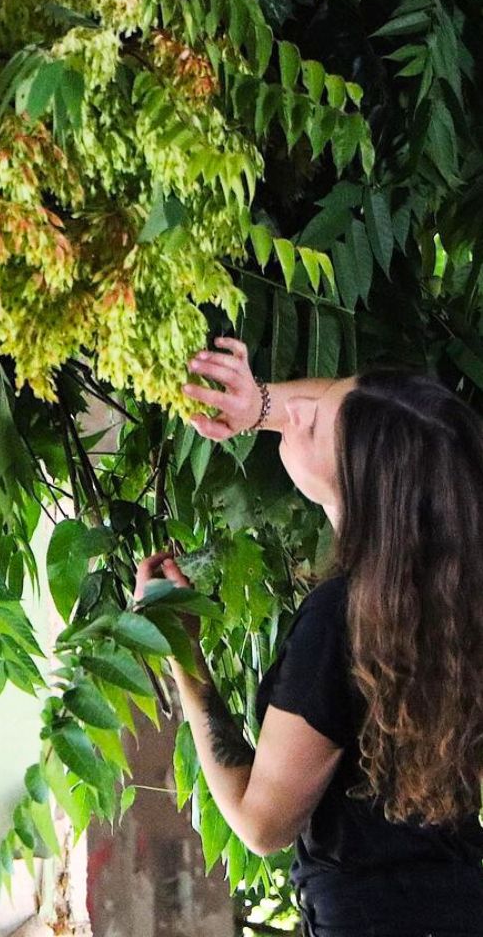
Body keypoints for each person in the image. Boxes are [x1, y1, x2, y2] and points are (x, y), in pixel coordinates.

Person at [134, 335, 483, 937]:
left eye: (315, 424)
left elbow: (260, 823)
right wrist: (260, 404)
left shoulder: (339, 621)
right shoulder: (454, 593)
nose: (300, 412)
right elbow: (359, 406)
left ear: (355, 485)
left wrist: (184, 655)